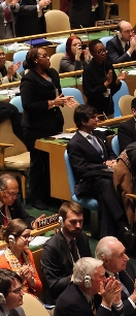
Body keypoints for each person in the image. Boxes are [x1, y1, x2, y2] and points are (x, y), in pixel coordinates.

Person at [21, 47, 74, 210]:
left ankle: (52, 194)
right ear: (36, 60)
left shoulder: (53, 73)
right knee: (39, 163)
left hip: (54, 123)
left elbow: (57, 94)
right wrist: (52, 103)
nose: (48, 58)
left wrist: (63, 100)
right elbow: (28, 105)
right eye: (44, 56)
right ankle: (37, 197)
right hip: (36, 127)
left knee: (53, 162)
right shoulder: (29, 79)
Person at [68, 103, 130, 240]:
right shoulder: (74, 143)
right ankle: (122, 223)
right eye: (93, 117)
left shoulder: (99, 134)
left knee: (105, 194)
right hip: (88, 182)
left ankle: (108, 236)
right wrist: (103, 166)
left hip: (106, 178)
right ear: (83, 122)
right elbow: (81, 169)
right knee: (107, 185)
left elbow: (111, 153)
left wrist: (113, 161)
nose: (97, 119)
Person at [40, 202, 91, 304]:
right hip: (62, 298)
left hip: (83, 290)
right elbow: (53, 285)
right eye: (73, 222)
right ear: (61, 222)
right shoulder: (51, 247)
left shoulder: (82, 238)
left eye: (80, 221)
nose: (78, 226)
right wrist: (78, 277)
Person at [94, 236, 136, 316]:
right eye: (120, 255)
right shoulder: (98, 282)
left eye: (124, 252)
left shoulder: (127, 267)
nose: (127, 258)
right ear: (106, 260)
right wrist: (135, 295)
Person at [51, 257, 124, 316]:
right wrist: (106, 303)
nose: (105, 280)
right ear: (87, 281)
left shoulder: (96, 291)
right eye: (101, 277)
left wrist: (116, 302)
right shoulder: (70, 303)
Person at [83, 39, 126, 117]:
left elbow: (112, 90)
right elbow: (89, 93)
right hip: (95, 111)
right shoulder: (88, 70)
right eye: (99, 51)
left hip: (109, 108)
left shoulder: (108, 65)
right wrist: (106, 84)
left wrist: (117, 81)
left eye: (104, 50)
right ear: (92, 54)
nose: (103, 53)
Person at [0, 218, 41, 295]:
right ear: (12, 239)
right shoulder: (2, 262)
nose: (29, 239)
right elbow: (7, 296)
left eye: (29, 236)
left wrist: (30, 280)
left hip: (33, 298)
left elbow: (39, 287)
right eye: (25, 236)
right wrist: (20, 279)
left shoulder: (28, 254)